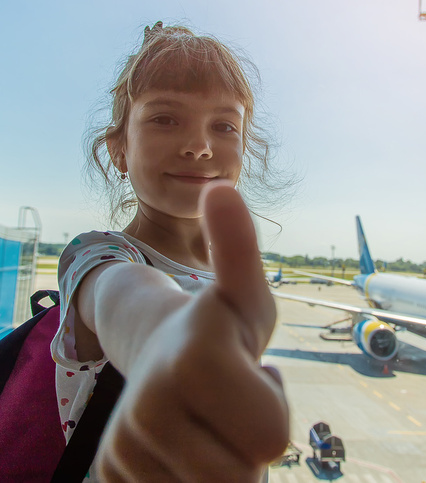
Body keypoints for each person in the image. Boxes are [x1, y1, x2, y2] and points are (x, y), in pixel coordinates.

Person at [51, 22, 289, 481]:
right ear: (118, 150)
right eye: (165, 119)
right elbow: (123, 300)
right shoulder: (102, 255)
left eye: (223, 126)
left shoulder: (226, 285)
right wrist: (162, 336)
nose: (199, 147)